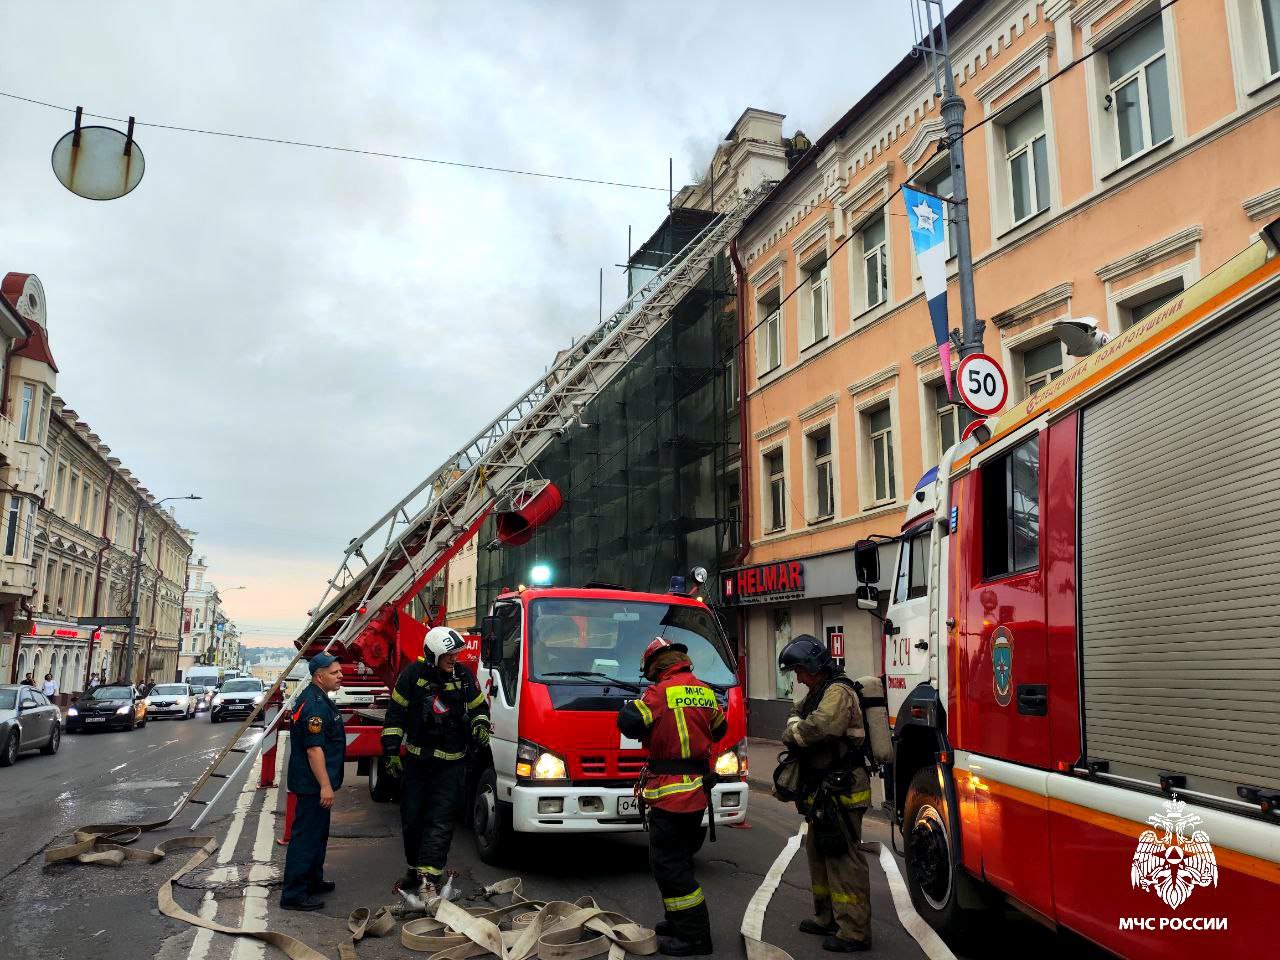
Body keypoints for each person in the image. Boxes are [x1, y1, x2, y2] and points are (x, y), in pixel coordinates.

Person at [616, 637, 728, 957]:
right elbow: (720, 729)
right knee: (677, 860)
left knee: (669, 865)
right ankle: (678, 922)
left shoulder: (658, 693)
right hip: (696, 791)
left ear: (656, 667)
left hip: (670, 793)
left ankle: (695, 937)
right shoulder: (705, 691)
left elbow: (627, 722)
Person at [777, 635, 872, 953]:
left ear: (816, 666)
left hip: (844, 789)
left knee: (843, 857)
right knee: (818, 852)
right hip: (825, 788)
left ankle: (854, 931)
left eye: (801, 671)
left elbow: (817, 728)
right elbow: (795, 714)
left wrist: (793, 731)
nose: (799, 678)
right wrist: (794, 727)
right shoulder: (818, 692)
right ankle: (827, 917)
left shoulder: (839, 691)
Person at [380, 626, 489, 898]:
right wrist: (391, 751)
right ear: (432, 655)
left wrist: (480, 724)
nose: (454, 659)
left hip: (451, 766)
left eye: (456, 653)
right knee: (412, 819)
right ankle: (415, 870)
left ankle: (430, 877)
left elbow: (479, 708)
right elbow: (395, 716)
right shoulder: (412, 676)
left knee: (440, 820)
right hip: (417, 763)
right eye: (448, 655)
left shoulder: (464, 676)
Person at [279, 653, 346, 911]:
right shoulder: (315, 705)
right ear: (319, 676)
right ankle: (294, 894)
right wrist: (325, 786)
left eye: (339, 671)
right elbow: (314, 750)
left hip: (314, 783)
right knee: (306, 838)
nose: (340, 675)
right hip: (312, 785)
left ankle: (312, 880)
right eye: (334, 672)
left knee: (318, 836)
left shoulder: (317, 698)